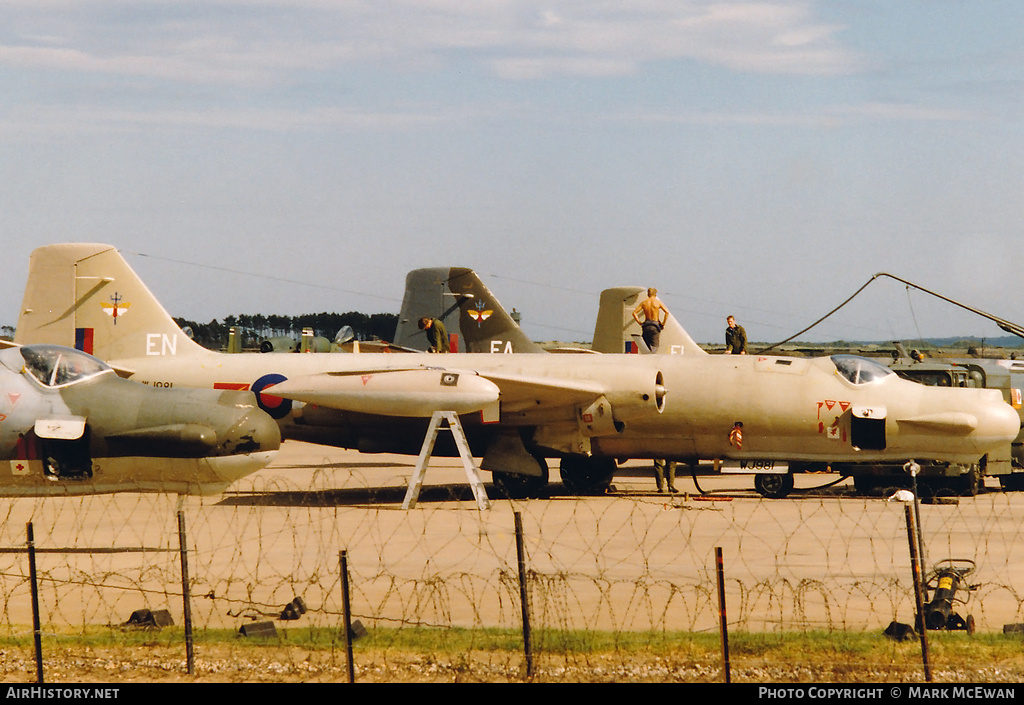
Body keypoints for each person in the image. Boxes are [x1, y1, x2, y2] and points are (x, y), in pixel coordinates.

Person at [632, 288, 670, 353]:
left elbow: (634, 313)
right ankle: (652, 358)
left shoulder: (644, 303)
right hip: (655, 325)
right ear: (655, 294)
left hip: (646, 325)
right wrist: (663, 323)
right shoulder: (658, 302)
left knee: (646, 347)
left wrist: (640, 323)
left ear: (648, 294)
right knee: (655, 346)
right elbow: (667, 312)